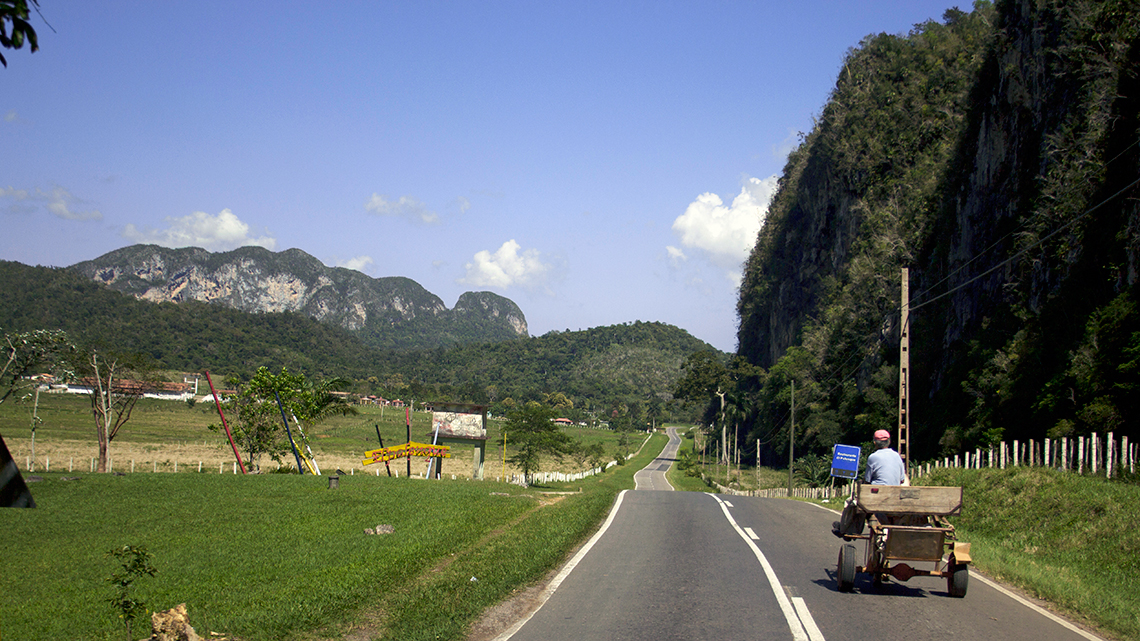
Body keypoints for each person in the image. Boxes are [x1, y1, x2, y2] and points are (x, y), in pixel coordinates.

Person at [832, 429, 908, 538]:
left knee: (852, 503)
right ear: (889, 441)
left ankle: (847, 530)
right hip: (894, 498)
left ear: (875, 443)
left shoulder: (873, 457)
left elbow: (867, 481)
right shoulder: (897, 456)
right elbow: (901, 480)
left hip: (877, 498)